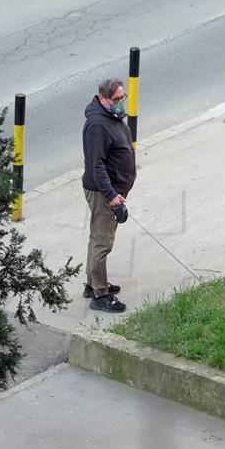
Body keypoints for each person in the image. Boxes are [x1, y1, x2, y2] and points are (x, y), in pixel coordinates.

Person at [81, 78, 136, 312]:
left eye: (122, 97)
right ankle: (100, 296)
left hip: (111, 191)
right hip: (103, 192)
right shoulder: (97, 125)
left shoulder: (111, 117)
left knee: (97, 237)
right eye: (116, 99)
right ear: (103, 99)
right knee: (103, 242)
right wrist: (112, 194)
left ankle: (93, 284)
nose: (120, 103)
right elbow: (96, 165)